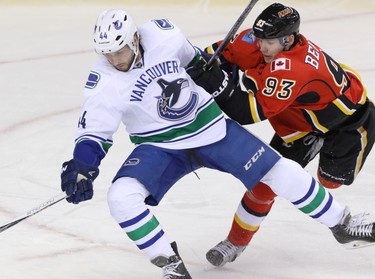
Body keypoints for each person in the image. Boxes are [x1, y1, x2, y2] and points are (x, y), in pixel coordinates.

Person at [60, 8, 375, 279]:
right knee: (121, 198)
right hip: (159, 145)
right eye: (107, 53)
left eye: (119, 51)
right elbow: (94, 132)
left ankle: (342, 223)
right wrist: (82, 167)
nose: (114, 59)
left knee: (282, 173)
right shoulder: (103, 83)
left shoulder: (162, 35)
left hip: (210, 127)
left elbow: (199, 62)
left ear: (135, 39)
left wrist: (211, 73)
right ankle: (171, 264)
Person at [195, 2, 375, 267]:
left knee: (329, 182)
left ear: (289, 39)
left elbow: (246, 113)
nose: (262, 46)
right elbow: (212, 55)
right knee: (265, 183)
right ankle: (235, 242)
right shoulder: (254, 40)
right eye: (259, 39)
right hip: (298, 124)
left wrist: (217, 84)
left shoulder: (293, 68)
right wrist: (207, 65)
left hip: (347, 122)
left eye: (269, 42)